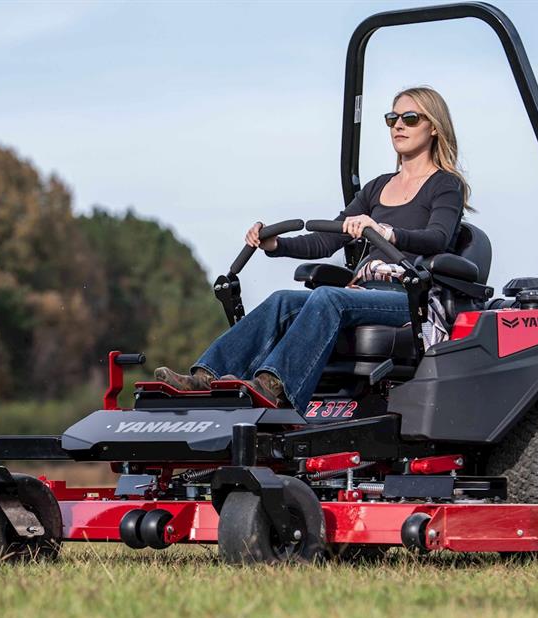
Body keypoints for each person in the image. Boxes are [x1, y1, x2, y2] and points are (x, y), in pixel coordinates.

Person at [155, 86, 472, 412]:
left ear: (433, 126)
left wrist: (385, 232)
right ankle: (205, 377)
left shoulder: (445, 184)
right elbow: (327, 241)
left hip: (409, 299)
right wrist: (277, 245)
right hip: (364, 293)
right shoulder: (377, 187)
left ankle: (274, 387)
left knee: (327, 296)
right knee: (282, 300)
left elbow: (438, 238)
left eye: (409, 118)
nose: (398, 126)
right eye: (392, 118)